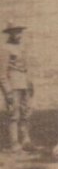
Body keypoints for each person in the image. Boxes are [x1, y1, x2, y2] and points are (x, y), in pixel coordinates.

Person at [0, 21, 33, 151]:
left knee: (26, 112)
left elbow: (25, 68)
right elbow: (2, 72)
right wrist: (7, 90)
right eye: (15, 31)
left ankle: (26, 140)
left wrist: (30, 83)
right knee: (14, 113)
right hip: (13, 84)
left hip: (24, 82)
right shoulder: (5, 48)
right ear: (10, 33)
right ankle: (14, 142)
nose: (18, 34)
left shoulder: (22, 47)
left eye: (20, 31)